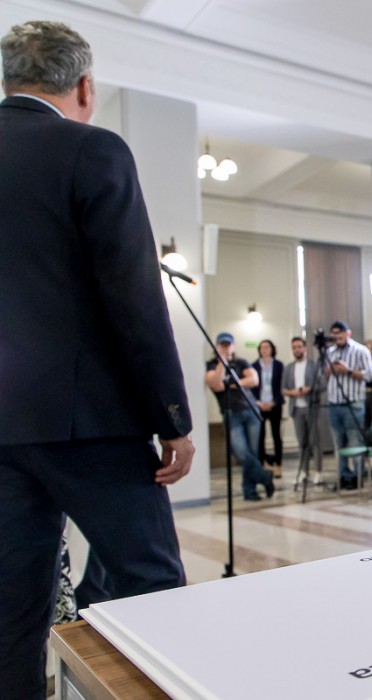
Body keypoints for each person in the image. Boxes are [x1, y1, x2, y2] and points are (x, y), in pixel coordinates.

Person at [0, 21, 195, 698]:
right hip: (92, 422)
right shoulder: (92, 149)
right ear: (85, 87)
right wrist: (171, 417)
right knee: (152, 585)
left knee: (11, 611)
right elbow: (133, 296)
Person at [205, 333, 274, 501]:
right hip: (231, 414)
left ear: (234, 346)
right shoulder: (211, 365)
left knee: (253, 453)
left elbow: (254, 380)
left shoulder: (241, 362)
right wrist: (222, 362)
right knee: (241, 453)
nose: (226, 347)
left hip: (251, 410)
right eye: (222, 345)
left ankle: (249, 491)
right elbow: (215, 384)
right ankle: (265, 477)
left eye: (228, 344)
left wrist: (232, 384)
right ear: (216, 346)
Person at [325, 321, 372, 490]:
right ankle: (343, 475)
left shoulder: (360, 350)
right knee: (338, 442)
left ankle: (358, 476)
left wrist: (348, 371)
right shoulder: (329, 352)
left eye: (340, 334)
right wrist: (330, 370)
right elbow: (325, 375)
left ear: (348, 333)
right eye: (334, 334)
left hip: (353, 403)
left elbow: (369, 375)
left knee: (354, 441)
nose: (337, 337)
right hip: (334, 403)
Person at [282, 337, 323, 485]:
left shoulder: (313, 365)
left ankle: (318, 471)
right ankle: (303, 471)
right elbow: (283, 389)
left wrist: (309, 389)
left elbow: (321, 384)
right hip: (296, 408)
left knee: (314, 441)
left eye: (299, 347)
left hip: (311, 406)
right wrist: (292, 392)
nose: (297, 350)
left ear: (304, 348)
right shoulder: (288, 368)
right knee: (302, 442)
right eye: (294, 347)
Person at [251, 339, 284, 477]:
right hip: (259, 405)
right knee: (261, 435)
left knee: (276, 435)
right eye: (262, 347)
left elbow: (281, 385)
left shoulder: (278, 365)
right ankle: (263, 462)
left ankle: (278, 464)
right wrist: (258, 402)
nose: (264, 350)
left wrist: (273, 402)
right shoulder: (253, 366)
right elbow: (252, 387)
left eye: (267, 347)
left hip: (274, 405)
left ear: (272, 349)